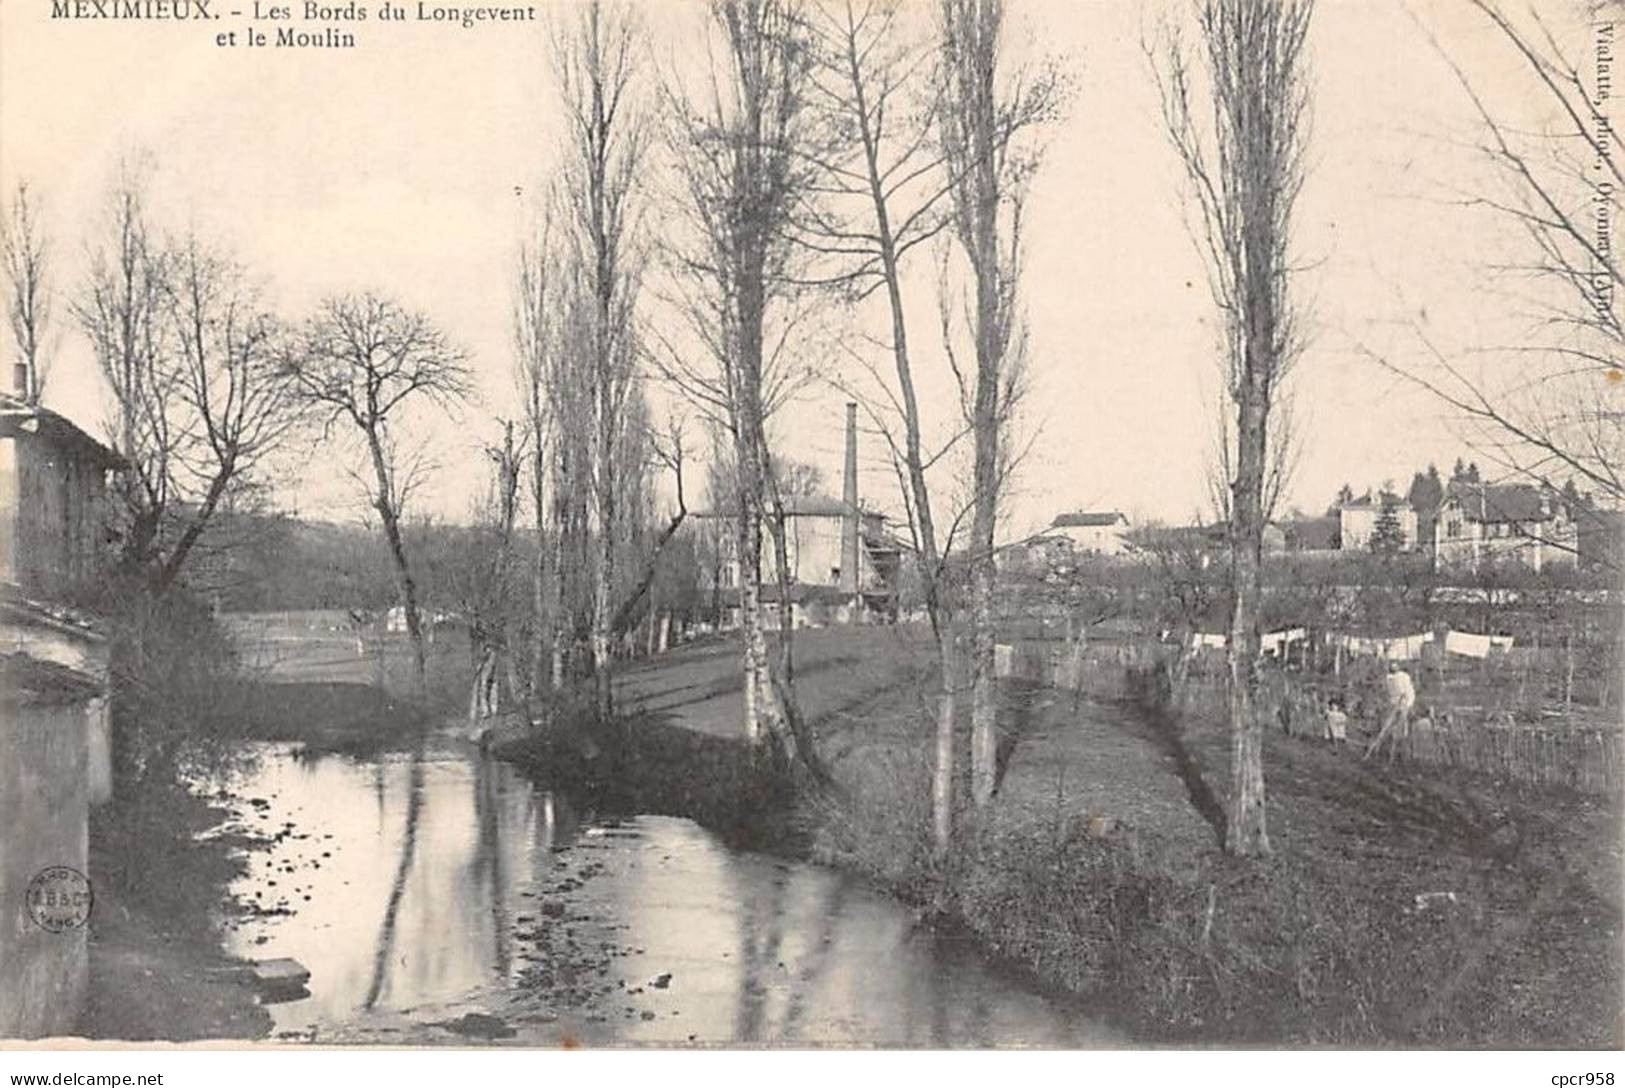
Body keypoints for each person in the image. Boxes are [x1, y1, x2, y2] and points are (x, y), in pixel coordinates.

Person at [1364, 660, 1416, 762]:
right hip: (1397, 703)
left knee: (1400, 730)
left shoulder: (1402, 676)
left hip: (1402, 703)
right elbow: (1395, 691)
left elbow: (1407, 691)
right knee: (1389, 728)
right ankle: (1383, 753)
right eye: (1393, 668)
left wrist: (1406, 702)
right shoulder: (1390, 678)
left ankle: (1397, 756)